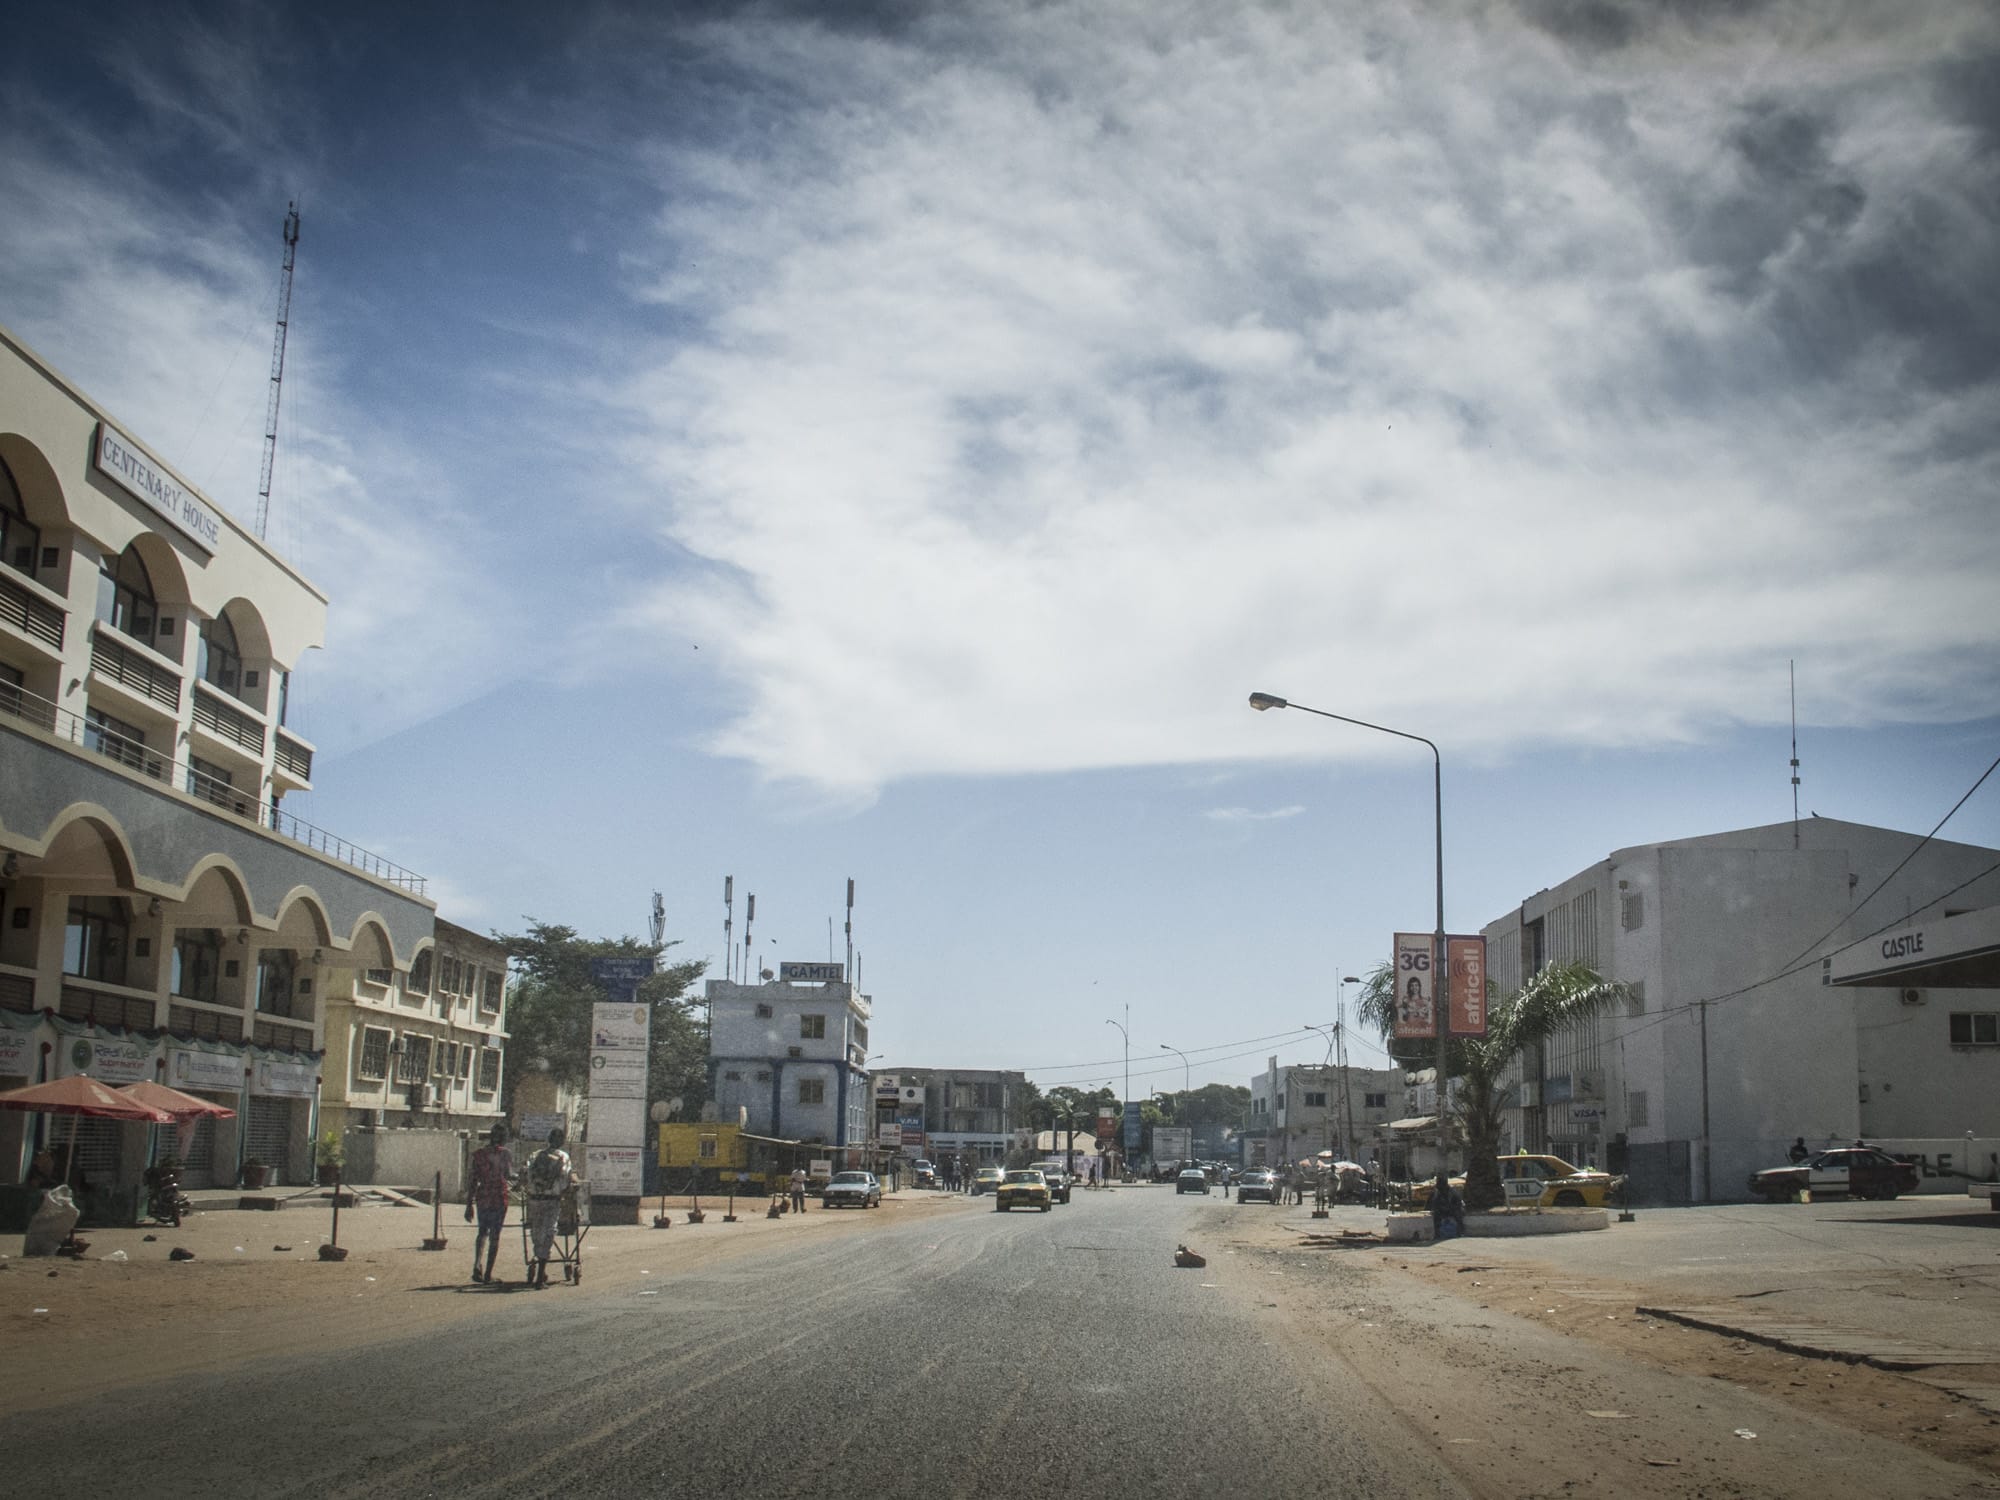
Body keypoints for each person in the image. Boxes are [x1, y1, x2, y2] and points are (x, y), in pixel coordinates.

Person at [523, 1126, 573, 1290]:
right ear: (561, 1141)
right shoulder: (563, 1157)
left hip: (535, 1199)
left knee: (537, 1230)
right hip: (552, 1200)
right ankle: (541, 1273)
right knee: (549, 1231)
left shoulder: (536, 1155)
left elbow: (527, 1174)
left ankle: (538, 1261)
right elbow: (565, 1179)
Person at [465, 1122, 514, 1285]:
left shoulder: (479, 1154)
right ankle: (488, 1273)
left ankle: (477, 1265)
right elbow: (508, 1175)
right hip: (499, 1197)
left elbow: (472, 1181)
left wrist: (468, 1204)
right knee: (495, 1236)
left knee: (482, 1232)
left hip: (483, 1197)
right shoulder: (505, 1154)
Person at [1430, 1169, 1466, 1242]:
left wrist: (1445, 1208)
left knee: (1458, 1214)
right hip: (1444, 1210)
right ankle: (1437, 1234)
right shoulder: (1439, 1192)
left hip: (1452, 1209)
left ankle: (1460, 1231)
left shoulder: (1450, 1191)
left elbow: (1455, 1203)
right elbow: (1435, 1203)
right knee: (1436, 1215)